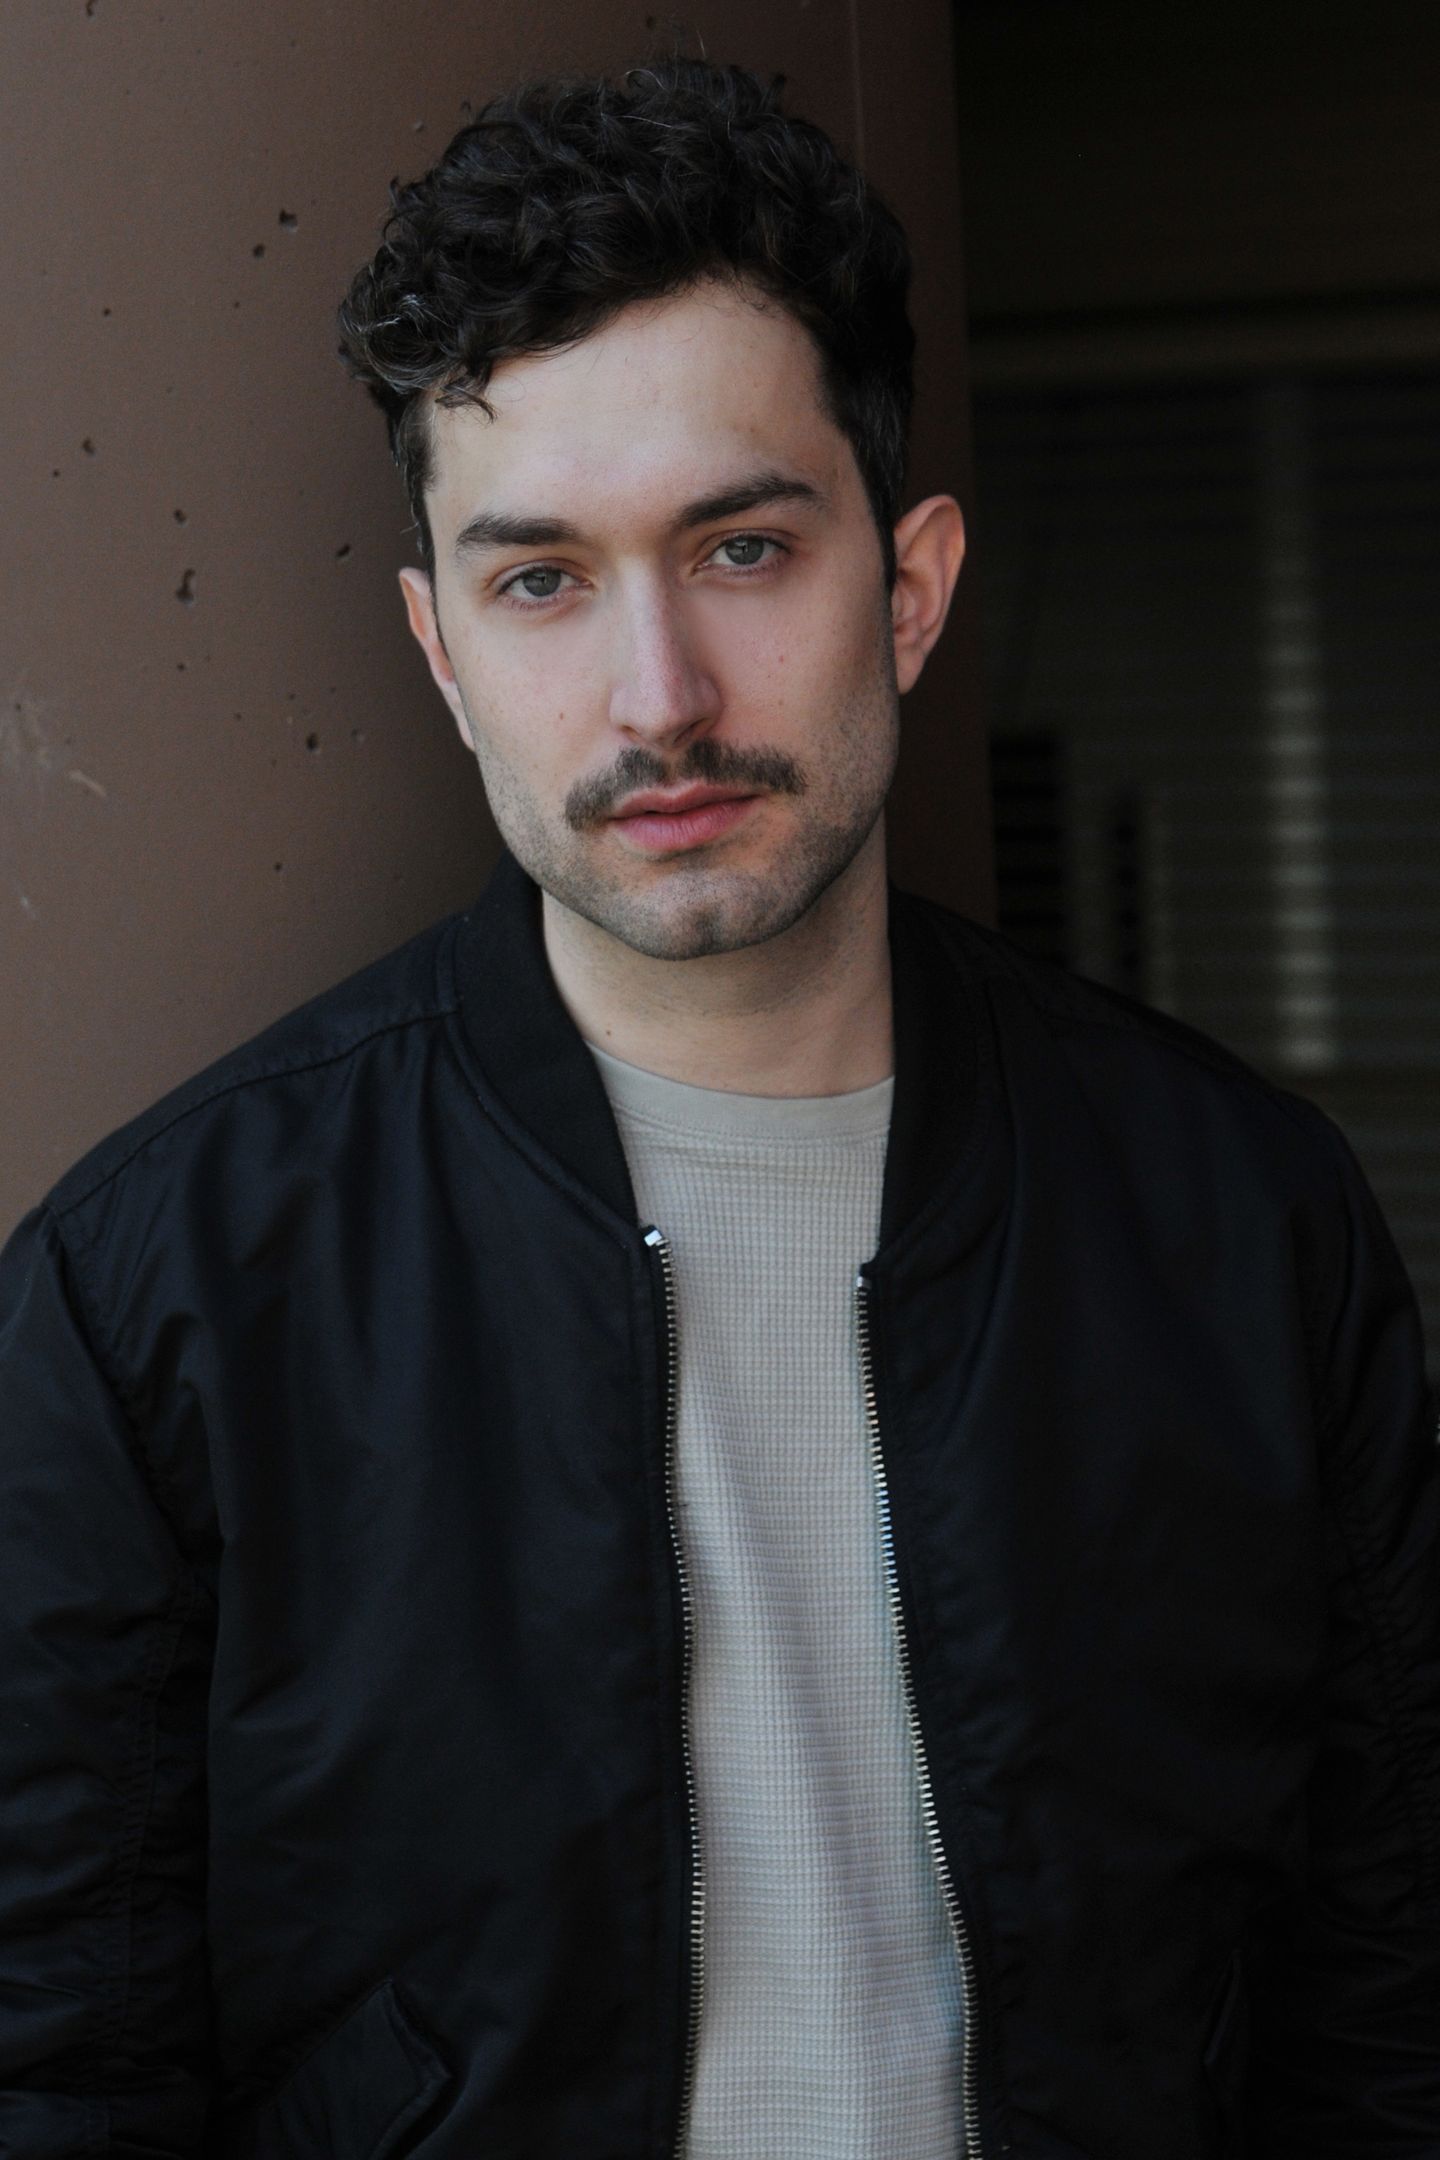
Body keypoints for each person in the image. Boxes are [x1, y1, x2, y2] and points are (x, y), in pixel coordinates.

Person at [0, 53, 1436, 2160]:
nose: (658, 696)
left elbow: (1386, 2012)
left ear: (911, 587)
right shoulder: (162, 1293)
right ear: (441, 653)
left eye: (743, 548)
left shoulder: (1242, 1221)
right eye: (541, 581)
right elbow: (57, 2068)